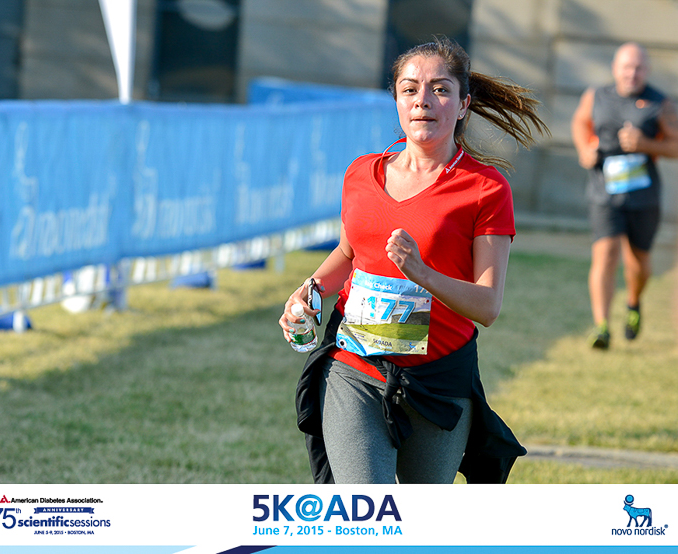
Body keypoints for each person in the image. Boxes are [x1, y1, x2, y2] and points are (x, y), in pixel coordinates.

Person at [279, 37, 549, 484]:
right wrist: (309, 291)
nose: (423, 100)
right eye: (410, 89)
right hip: (355, 366)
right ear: (397, 100)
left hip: (438, 381)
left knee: (419, 518)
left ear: (463, 105)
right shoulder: (361, 173)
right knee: (366, 510)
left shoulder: (486, 189)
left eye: (440, 89)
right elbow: (348, 253)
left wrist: (422, 273)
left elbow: (487, 306)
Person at [571, 42, 678, 349]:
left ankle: (634, 301)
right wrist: (584, 149)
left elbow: (675, 145)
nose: (632, 73)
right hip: (603, 189)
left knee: (639, 262)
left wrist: (646, 144)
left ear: (647, 70)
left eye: (639, 68)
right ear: (615, 69)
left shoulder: (661, 103)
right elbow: (579, 122)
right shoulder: (596, 96)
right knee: (605, 253)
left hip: (644, 194)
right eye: (627, 67)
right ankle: (601, 326)